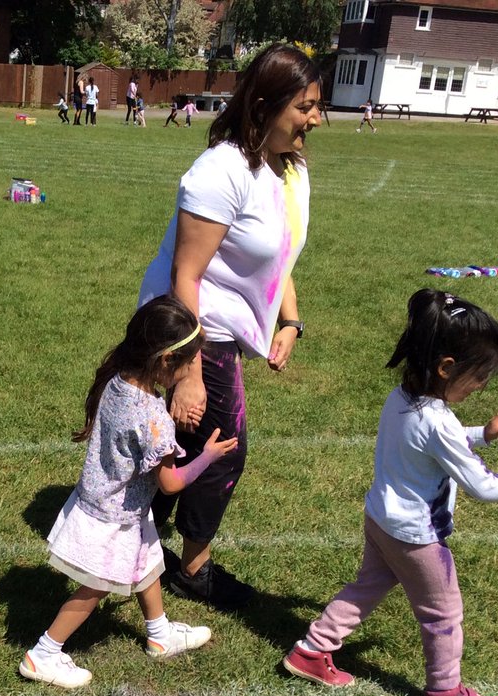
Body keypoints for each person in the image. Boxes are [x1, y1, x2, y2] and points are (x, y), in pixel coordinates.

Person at [283, 289, 498, 696]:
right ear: (446, 368)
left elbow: (437, 444)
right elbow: (477, 482)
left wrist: (485, 433)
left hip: (381, 520)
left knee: (367, 587)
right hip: (417, 539)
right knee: (443, 613)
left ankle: (311, 650)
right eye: (478, 379)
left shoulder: (403, 398)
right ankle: (444, 694)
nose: (481, 388)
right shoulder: (437, 419)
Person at [138, 44, 322, 608]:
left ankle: (130, 527)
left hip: (219, 328)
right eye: (306, 106)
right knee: (224, 443)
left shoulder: (277, 166)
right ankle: (192, 568)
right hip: (193, 327)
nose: (317, 118)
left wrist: (289, 318)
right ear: (265, 105)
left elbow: (280, 251)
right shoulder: (220, 171)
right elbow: (184, 275)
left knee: (184, 435)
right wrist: (188, 369)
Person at [19, 298, 239, 689]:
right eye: (188, 364)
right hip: (113, 518)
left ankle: (159, 634)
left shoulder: (119, 379)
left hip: (107, 501)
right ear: (166, 361)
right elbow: (171, 484)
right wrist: (206, 457)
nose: (191, 371)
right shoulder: (153, 417)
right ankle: (43, 654)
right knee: (98, 585)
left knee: (148, 562)